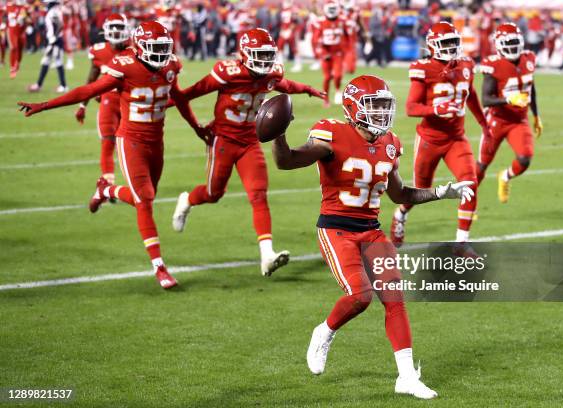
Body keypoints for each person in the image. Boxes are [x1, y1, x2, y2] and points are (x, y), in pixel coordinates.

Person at [270, 74, 474, 399]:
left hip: (372, 230)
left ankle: (406, 377)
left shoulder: (390, 142)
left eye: (384, 105)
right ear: (353, 106)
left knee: (395, 299)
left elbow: (400, 194)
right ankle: (324, 331)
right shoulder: (332, 133)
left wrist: (440, 192)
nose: (380, 112)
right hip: (337, 228)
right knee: (360, 295)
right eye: (373, 105)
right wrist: (277, 133)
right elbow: (286, 161)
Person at [19, 21, 204, 289]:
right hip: (131, 140)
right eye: (154, 48)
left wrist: (198, 128)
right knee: (145, 200)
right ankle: (160, 268)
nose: (161, 54)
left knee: (145, 197)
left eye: (164, 48)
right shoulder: (124, 65)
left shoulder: (170, 66)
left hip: (157, 142)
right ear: (140, 48)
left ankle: (105, 191)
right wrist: (45, 105)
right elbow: (89, 90)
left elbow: (180, 99)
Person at [171, 28, 325, 277]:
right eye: (259, 55)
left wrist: (307, 88)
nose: (265, 61)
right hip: (223, 139)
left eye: (268, 55)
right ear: (244, 53)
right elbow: (189, 94)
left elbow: (284, 84)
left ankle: (267, 255)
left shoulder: (271, 73)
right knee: (213, 194)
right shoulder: (228, 73)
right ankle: (187, 201)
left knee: (258, 195)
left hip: (250, 141)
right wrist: (165, 104)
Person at [388, 21, 491, 251]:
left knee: (470, 184)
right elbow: (411, 108)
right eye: (446, 43)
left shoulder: (465, 65)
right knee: (420, 192)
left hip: (456, 138)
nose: (452, 47)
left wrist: (484, 123)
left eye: (454, 42)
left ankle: (462, 244)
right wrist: (436, 109)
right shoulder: (424, 69)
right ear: (433, 46)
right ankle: (401, 214)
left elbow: (470, 93)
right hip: (429, 140)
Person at [477, 23, 542, 203]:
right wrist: (509, 99)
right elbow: (486, 99)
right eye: (509, 42)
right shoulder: (493, 65)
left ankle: (505, 176)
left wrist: (536, 116)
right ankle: (468, 204)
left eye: (515, 42)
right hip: (496, 120)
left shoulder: (528, 59)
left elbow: (531, 88)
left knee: (525, 158)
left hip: (519, 120)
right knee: (481, 166)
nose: (513, 46)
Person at [74, 13, 130, 185]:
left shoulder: (135, 50)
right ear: (106, 30)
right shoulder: (98, 51)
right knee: (108, 143)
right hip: (109, 103)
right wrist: (83, 105)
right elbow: (91, 79)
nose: (116, 31)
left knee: (132, 145)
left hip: (130, 103)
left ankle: (137, 183)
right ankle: (109, 185)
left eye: (120, 27)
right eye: (113, 27)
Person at [312, 0, 349, 106]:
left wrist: (346, 49)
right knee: (327, 77)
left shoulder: (342, 21)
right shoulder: (321, 21)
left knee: (337, 75)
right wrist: (322, 52)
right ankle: (326, 98)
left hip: (337, 52)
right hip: (326, 52)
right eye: (330, 9)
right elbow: (316, 39)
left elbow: (347, 36)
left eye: (334, 9)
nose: (332, 12)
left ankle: (337, 91)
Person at [28, 0, 67, 93]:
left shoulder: (53, 11)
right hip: (54, 40)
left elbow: (58, 24)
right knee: (46, 61)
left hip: (55, 41)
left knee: (57, 62)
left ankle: (63, 86)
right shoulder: (55, 10)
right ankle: (39, 84)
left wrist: (54, 38)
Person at [6, 0, 29, 78]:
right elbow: (5, 15)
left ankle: (17, 64)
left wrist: (25, 18)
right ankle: (12, 68)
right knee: (13, 47)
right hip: (12, 31)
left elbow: (28, 19)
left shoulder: (24, 7)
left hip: (21, 31)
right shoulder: (9, 5)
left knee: (20, 49)